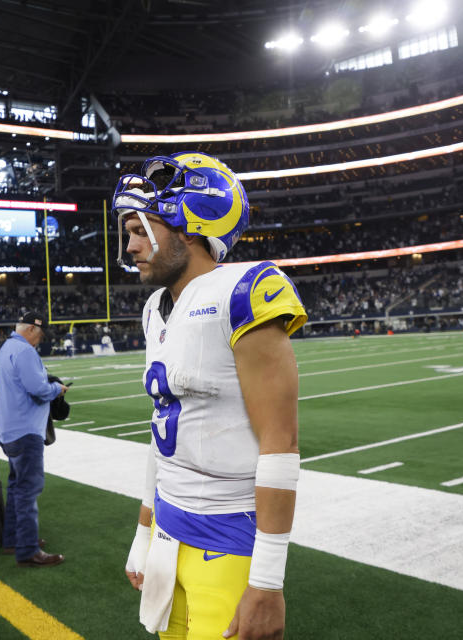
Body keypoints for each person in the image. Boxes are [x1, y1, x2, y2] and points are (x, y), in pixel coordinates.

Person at [114, 152, 306, 640]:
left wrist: (266, 581)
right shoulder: (156, 308)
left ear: (189, 224)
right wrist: (143, 533)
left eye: (141, 230)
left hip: (227, 538)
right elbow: (162, 434)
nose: (131, 246)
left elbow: (280, 443)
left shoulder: (245, 290)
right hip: (168, 532)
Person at [0, 311, 68, 567]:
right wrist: (58, 389)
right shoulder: (24, 351)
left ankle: (14, 539)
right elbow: (38, 389)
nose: (40, 340)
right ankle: (27, 549)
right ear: (32, 330)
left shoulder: (8, 347)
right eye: (40, 334)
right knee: (27, 490)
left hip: (7, 429)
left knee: (16, 486)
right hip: (24, 431)